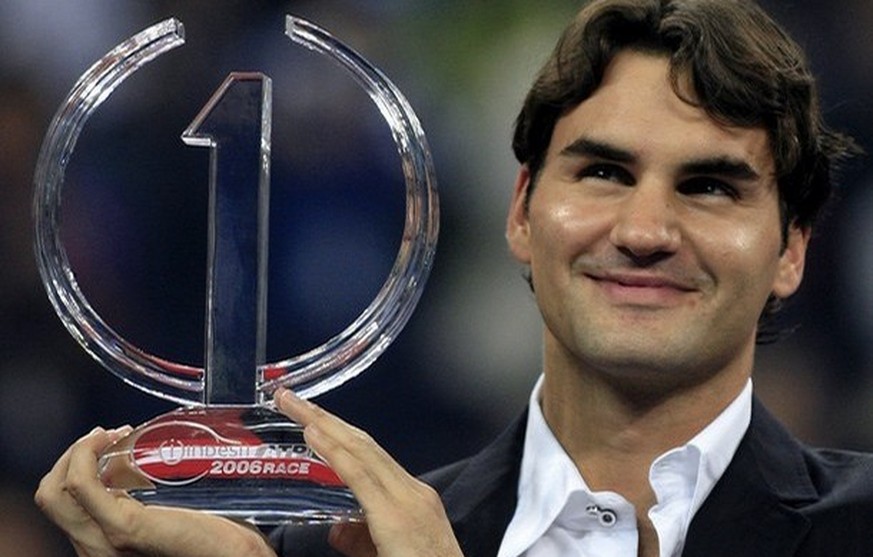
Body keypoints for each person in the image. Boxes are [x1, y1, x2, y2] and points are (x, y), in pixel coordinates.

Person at [35, 0, 873, 556]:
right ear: (520, 212)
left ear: (791, 249)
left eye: (709, 185)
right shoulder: (340, 545)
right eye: (603, 174)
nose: (645, 231)